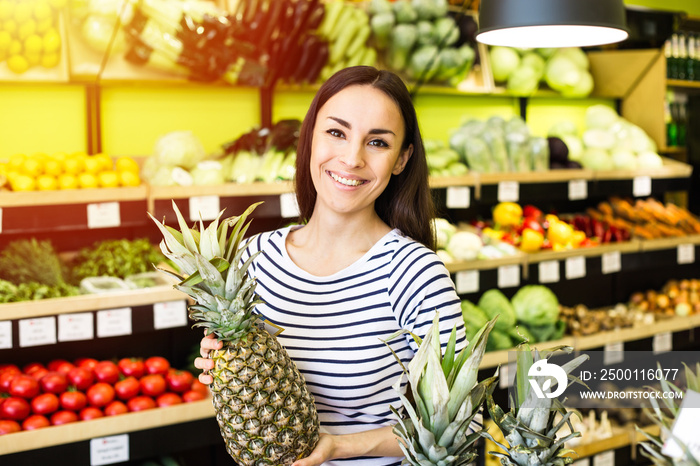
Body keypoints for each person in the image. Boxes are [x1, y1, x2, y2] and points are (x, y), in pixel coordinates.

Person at [195, 66, 470, 466]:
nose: (352, 158)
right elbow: (234, 405)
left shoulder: (415, 273)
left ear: (401, 159)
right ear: (309, 140)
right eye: (336, 133)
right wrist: (221, 372)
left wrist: (340, 446)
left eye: (377, 142)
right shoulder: (252, 259)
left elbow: (457, 421)